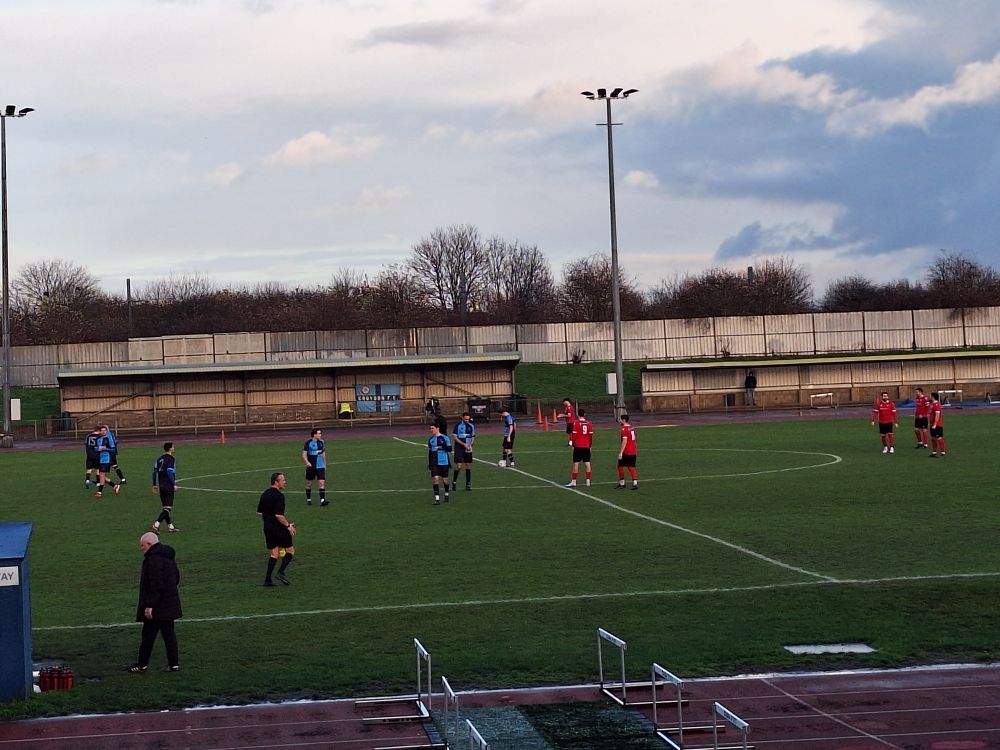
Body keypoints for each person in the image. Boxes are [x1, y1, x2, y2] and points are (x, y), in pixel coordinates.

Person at [128, 531, 181, 673]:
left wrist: (150, 605)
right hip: (170, 604)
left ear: (150, 544)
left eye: (142, 546)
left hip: (158, 606)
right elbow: (176, 578)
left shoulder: (152, 559)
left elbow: (155, 584)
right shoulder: (168, 556)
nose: (141, 549)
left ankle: (142, 664)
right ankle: (174, 664)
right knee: (169, 635)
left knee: (148, 636)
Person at [257, 472, 296, 586]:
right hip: (278, 528)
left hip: (267, 528)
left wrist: (268, 517)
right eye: (283, 480)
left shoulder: (264, 494)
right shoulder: (279, 496)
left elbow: (259, 512)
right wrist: (288, 526)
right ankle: (281, 572)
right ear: (276, 482)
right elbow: (279, 516)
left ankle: (268, 580)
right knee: (290, 551)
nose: (285, 482)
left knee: (274, 553)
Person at [151, 442, 179, 533]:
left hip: (161, 485)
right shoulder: (171, 459)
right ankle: (156, 524)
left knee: (165, 508)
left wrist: (154, 484)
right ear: (170, 449)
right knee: (168, 508)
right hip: (168, 485)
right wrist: (173, 484)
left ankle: (170, 526)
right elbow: (169, 471)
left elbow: (154, 472)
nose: (174, 448)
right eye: (173, 446)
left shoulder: (159, 459)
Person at [565, 409, 594, 487]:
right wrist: (590, 446)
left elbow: (573, 435)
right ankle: (588, 481)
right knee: (587, 464)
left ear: (578, 415)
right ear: (584, 414)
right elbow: (591, 436)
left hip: (578, 446)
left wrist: (572, 445)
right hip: (586, 446)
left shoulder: (576, 423)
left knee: (576, 464)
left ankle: (574, 482)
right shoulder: (589, 424)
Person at [301, 428, 329, 507]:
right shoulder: (308, 443)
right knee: (309, 484)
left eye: (320, 433)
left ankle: (322, 500)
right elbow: (304, 454)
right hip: (311, 466)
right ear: (314, 434)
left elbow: (323, 454)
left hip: (320, 466)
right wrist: (307, 462)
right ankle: (309, 499)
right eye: (319, 433)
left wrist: (325, 464)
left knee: (321, 483)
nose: (320, 435)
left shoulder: (322, 442)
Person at [427, 423, 452, 505]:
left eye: (432, 428)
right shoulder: (430, 439)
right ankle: (437, 499)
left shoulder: (445, 438)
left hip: (444, 462)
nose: (431, 430)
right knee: (435, 478)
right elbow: (430, 452)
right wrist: (429, 463)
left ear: (437, 428)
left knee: (445, 480)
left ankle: (446, 494)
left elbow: (450, 449)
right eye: (430, 428)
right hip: (434, 463)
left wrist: (443, 445)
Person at [94, 426, 121, 497]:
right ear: (100, 431)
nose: (103, 432)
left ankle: (99, 492)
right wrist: (99, 449)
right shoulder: (98, 439)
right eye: (102, 430)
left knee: (102, 474)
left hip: (107, 459)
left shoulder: (109, 439)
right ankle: (115, 486)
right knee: (100, 475)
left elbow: (113, 450)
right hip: (100, 459)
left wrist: (105, 449)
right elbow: (95, 449)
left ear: (106, 431)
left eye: (105, 430)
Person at [452, 411, 476, 491]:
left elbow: (473, 436)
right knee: (459, 466)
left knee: (468, 465)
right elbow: (455, 437)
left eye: (468, 419)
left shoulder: (471, 426)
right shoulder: (457, 426)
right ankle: (454, 482)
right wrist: (463, 444)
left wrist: (471, 444)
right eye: (465, 419)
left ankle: (468, 484)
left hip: (468, 447)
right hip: (459, 447)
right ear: (462, 418)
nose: (467, 421)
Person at [616, 413, 638, 490]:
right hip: (633, 450)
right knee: (631, 467)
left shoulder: (624, 429)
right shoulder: (632, 428)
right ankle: (635, 483)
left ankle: (622, 483)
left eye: (620, 419)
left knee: (620, 466)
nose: (619, 421)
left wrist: (621, 452)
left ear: (624, 420)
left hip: (627, 451)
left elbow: (624, 441)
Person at [928, 392, 948, 457]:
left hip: (937, 425)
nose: (929, 396)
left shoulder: (936, 405)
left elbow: (937, 415)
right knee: (933, 438)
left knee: (939, 438)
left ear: (933, 397)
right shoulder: (932, 404)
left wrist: (935, 424)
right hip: (932, 424)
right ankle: (934, 452)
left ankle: (943, 452)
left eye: (930, 395)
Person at [84, 425, 102, 489]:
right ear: (99, 430)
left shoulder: (88, 436)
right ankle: (98, 482)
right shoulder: (100, 436)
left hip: (89, 454)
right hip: (97, 455)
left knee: (89, 468)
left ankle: (87, 480)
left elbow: (86, 444)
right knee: (98, 469)